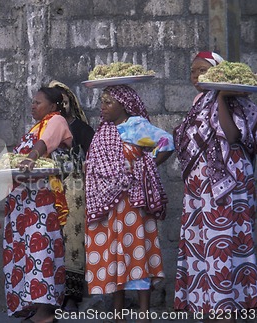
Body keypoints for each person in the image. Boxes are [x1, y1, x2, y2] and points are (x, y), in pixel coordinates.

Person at [173, 51, 257, 322]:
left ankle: (226, 307)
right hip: (200, 190)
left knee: (225, 244)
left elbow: (233, 135)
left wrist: (223, 95)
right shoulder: (198, 102)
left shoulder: (236, 101)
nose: (196, 76)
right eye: (193, 71)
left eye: (203, 70)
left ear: (217, 72)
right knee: (202, 244)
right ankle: (206, 306)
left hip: (228, 186)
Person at [85, 84, 174, 323]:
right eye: (102, 102)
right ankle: (119, 314)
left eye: (108, 102)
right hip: (108, 205)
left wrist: (146, 165)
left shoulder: (136, 127)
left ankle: (144, 314)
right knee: (115, 256)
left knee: (137, 251)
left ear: (124, 105)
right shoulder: (103, 131)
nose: (102, 107)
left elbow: (167, 142)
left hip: (133, 203)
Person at [3, 87, 72, 323]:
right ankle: (31, 306)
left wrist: (31, 158)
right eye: (32, 102)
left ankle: (46, 312)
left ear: (53, 107)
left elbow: (45, 144)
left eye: (38, 102)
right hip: (24, 202)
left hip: (42, 203)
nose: (33, 106)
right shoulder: (34, 127)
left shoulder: (56, 120)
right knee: (24, 253)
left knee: (41, 251)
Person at [48, 80, 94, 312]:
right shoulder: (45, 128)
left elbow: (96, 157)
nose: (62, 107)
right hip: (50, 188)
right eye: (58, 103)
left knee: (73, 242)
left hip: (74, 191)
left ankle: (72, 296)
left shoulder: (82, 129)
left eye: (65, 102)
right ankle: (51, 293)